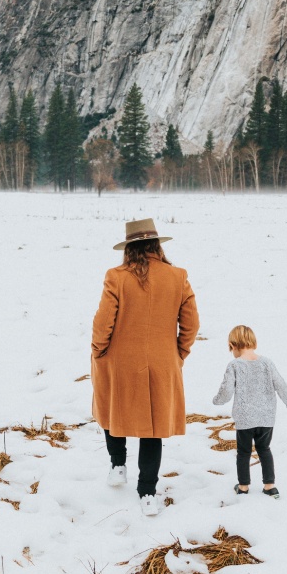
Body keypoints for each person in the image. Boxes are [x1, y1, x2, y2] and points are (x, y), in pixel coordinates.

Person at [91, 217, 199, 516]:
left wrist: (99, 351)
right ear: (156, 245)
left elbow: (103, 322)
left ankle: (117, 465)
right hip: (162, 362)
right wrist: (178, 353)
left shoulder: (116, 276)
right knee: (152, 427)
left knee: (113, 408)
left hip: (118, 359)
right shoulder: (177, 276)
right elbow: (191, 324)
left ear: (129, 247)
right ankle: (148, 492)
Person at [213, 323, 287, 499]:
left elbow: (227, 391)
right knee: (264, 449)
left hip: (245, 419)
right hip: (266, 418)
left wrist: (217, 400)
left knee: (243, 452)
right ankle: (270, 486)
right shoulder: (267, 363)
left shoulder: (234, 365)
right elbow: (281, 385)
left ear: (232, 345)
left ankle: (243, 486)